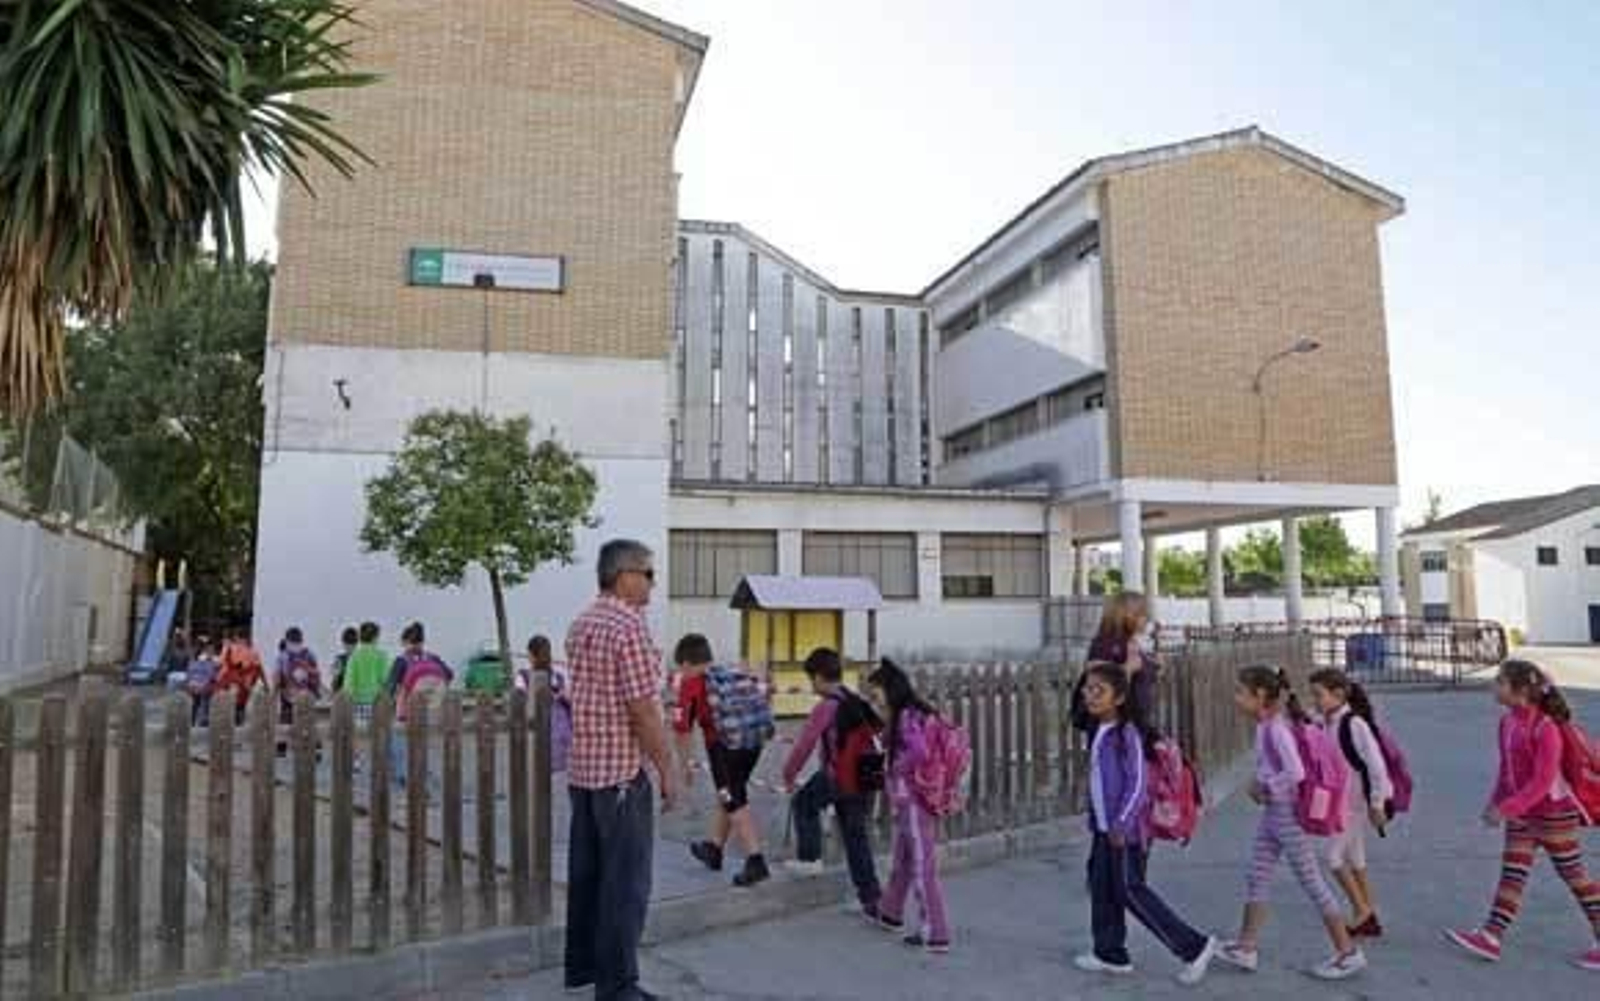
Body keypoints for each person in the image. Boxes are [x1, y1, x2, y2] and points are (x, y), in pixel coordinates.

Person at [563, 539, 677, 1000]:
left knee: (588, 877)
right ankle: (617, 986)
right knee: (625, 883)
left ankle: (583, 970)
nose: (652, 582)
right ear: (624, 575)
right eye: (648, 573)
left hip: (584, 771)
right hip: (621, 773)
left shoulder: (582, 622)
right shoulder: (628, 627)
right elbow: (643, 710)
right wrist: (668, 769)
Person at [1445, 659, 1600, 971]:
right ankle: (1491, 936)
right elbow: (1508, 771)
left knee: (1575, 877)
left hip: (1554, 815)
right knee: (1512, 874)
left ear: (1519, 691)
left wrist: (1507, 808)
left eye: (1500, 682)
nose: (1494, 687)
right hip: (1522, 816)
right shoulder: (1507, 723)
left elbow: (1543, 781)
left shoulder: (1547, 728)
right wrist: (1497, 802)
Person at [1216, 664, 1366, 981]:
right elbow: (1270, 764)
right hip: (1275, 814)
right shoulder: (1266, 725)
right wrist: (1261, 782)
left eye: (1240, 692)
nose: (1236, 698)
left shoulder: (1276, 728)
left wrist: (1266, 787)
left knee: (1311, 881)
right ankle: (1246, 946)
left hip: (1287, 815)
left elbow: (1295, 772)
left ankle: (1348, 953)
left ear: (1259, 696)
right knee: (1257, 873)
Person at [1072, 661, 1217, 984]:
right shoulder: (1098, 729)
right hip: (1104, 829)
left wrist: (1121, 824)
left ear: (1119, 698)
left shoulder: (1127, 735)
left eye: (1099, 690)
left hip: (1127, 831)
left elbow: (1136, 784)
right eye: (1087, 688)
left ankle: (1193, 947)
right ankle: (1110, 953)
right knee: (1102, 887)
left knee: (1130, 891)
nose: (1090, 695)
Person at [781, 647, 882, 921]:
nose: (812, 685)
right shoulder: (855, 698)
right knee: (855, 837)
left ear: (818, 677)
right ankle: (872, 900)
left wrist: (789, 775)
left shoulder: (825, 706)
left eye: (811, 679)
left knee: (803, 802)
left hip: (836, 775)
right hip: (862, 778)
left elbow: (804, 746)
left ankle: (810, 859)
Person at [868, 659, 951, 954]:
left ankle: (935, 932)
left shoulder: (905, 716)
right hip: (912, 801)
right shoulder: (912, 712)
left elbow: (919, 751)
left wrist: (896, 770)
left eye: (876, 695)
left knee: (920, 865)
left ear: (890, 690)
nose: (874, 701)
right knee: (903, 859)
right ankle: (890, 913)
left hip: (915, 802)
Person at [675, 634, 770, 888]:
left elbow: (682, 729)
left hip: (724, 747)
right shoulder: (728, 672)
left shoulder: (690, 683)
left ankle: (755, 859)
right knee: (728, 792)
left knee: (732, 798)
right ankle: (714, 848)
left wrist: (685, 766)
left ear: (685, 663)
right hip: (752, 742)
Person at [1309, 668, 1393, 939]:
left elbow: (1376, 765)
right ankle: (1368, 914)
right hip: (1342, 801)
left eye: (1319, 695)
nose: (1316, 701)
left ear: (1339, 694)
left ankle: (1363, 914)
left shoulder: (1353, 724)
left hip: (1355, 802)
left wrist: (1378, 803)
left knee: (1332, 857)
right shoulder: (1327, 721)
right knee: (1355, 857)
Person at [1072, 592, 1161, 733]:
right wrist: (1128, 669)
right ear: (1128, 615)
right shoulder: (1107, 643)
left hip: (1132, 724)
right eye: (1143, 614)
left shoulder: (1130, 641)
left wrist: (1154, 665)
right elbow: (1097, 686)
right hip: (1114, 729)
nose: (1148, 619)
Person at [387, 622, 453, 786]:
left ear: (405, 641)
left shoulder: (401, 661)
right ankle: (423, 771)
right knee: (422, 738)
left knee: (399, 737)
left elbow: (390, 685)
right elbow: (449, 674)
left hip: (407, 707)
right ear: (422, 642)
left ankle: (403, 774)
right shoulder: (433, 658)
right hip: (431, 707)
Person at [521, 634, 573, 775]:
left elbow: (519, 704)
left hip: (537, 733)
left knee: (537, 777)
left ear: (530, 655)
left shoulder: (523, 677)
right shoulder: (559, 677)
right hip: (562, 734)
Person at [340, 621, 390, 727]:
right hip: (377, 704)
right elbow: (386, 680)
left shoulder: (354, 657)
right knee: (377, 738)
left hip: (357, 705)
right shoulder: (381, 656)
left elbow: (348, 685)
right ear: (375, 638)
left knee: (360, 738)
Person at [216, 627, 266, 726]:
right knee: (241, 709)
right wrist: (266, 685)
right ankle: (239, 728)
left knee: (226, 710)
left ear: (236, 637)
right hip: (244, 685)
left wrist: (217, 681)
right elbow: (259, 669)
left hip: (227, 684)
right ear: (247, 638)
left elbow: (219, 665)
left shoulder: (228, 648)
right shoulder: (252, 652)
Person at [275, 626, 325, 725]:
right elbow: (317, 674)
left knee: (287, 730)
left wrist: (274, 694)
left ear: (287, 641)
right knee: (306, 727)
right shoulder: (310, 654)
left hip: (289, 699)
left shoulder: (282, 656)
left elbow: (276, 678)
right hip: (306, 699)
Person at [186, 638, 219, 728]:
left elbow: (213, 675)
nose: (210, 650)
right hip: (198, 685)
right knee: (196, 702)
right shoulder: (201, 659)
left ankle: (203, 719)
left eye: (211, 648)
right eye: (208, 648)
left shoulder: (216, 660)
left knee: (204, 700)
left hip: (206, 686)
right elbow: (192, 673)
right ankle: (195, 720)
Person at [331, 625, 359, 693]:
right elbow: (334, 684)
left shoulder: (361, 659)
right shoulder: (339, 659)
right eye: (347, 643)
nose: (350, 646)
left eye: (352, 643)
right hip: (343, 694)